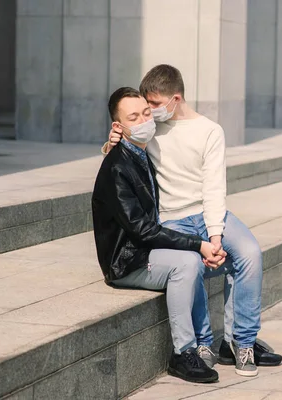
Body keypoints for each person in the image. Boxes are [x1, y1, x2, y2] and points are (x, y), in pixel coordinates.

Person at [103, 65, 282, 377]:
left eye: (154, 105)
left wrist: (214, 237)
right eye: (145, 106)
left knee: (249, 253)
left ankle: (241, 342)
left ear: (176, 98)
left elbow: (214, 188)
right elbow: (122, 158)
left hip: (208, 213)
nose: (149, 113)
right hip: (171, 218)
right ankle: (202, 343)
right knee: (192, 262)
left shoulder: (210, 131)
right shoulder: (149, 127)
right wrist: (109, 144)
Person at [92, 87, 229, 383]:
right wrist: (199, 244)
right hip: (126, 262)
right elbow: (142, 229)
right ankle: (183, 353)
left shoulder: (139, 153)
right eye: (133, 117)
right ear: (118, 126)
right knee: (188, 263)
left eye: (145, 112)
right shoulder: (117, 168)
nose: (143, 120)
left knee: (195, 259)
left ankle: (228, 340)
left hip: (144, 250)